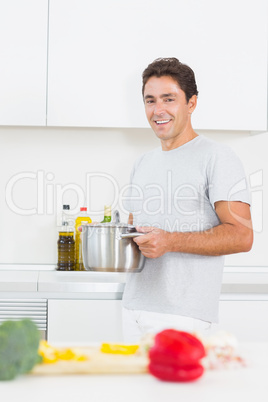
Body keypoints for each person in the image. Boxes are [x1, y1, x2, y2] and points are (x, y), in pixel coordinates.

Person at [122, 57, 253, 343]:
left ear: (191, 103)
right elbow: (135, 230)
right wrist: (108, 238)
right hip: (132, 306)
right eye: (150, 100)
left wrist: (170, 241)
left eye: (169, 99)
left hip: (181, 314)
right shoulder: (142, 163)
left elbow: (242, 236)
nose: (158, 110)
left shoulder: (217, 157)